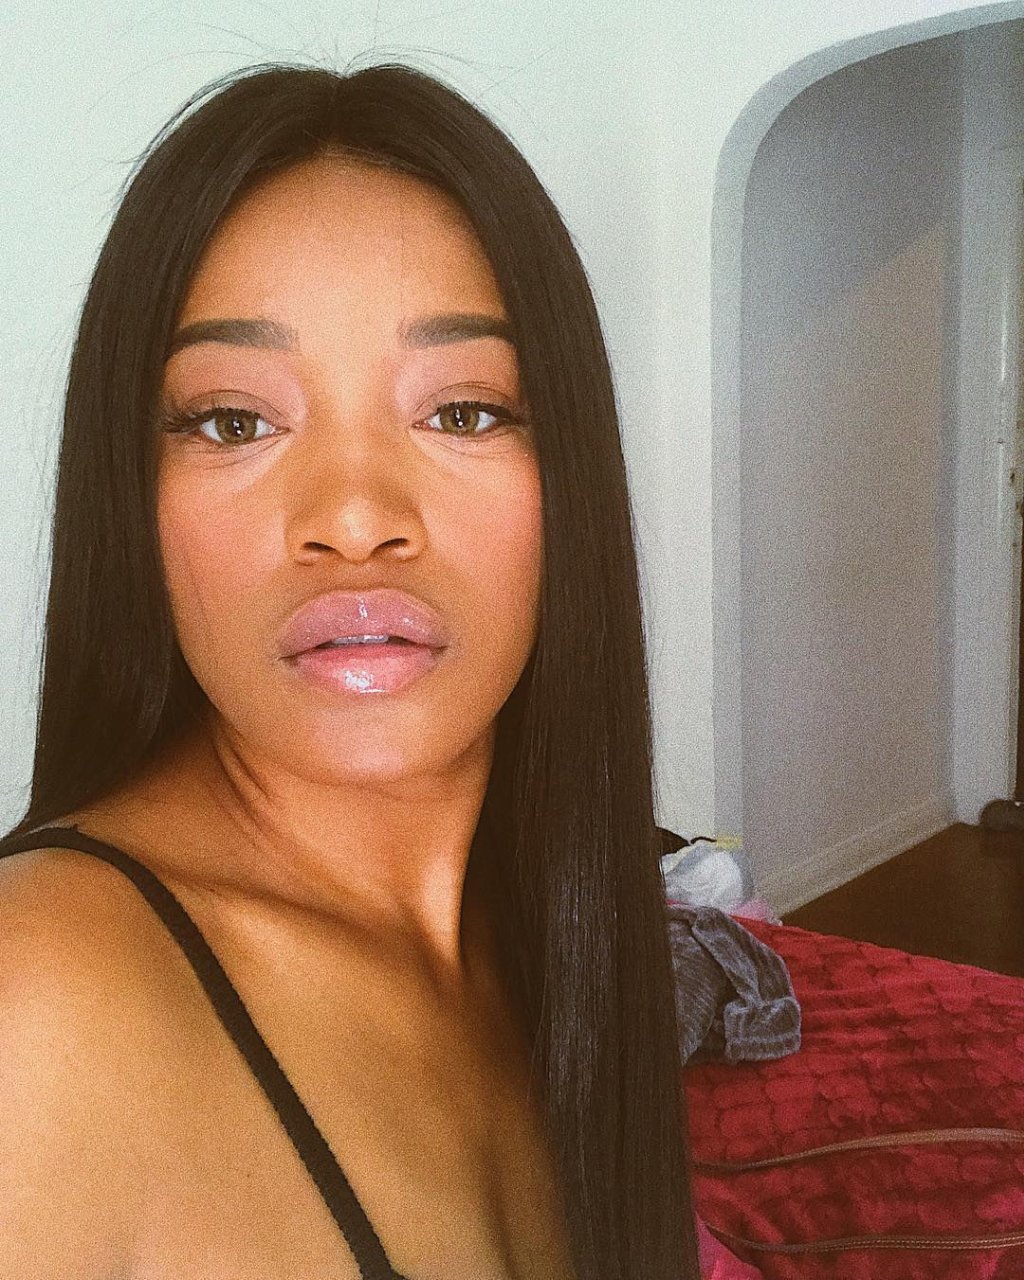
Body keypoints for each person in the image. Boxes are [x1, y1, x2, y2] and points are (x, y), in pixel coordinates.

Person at [0, 63, 701, 1279]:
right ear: (133, 495)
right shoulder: (36, 1003)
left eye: (464, 411)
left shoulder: (552, 927)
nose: (357, 517)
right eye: (234, 421)